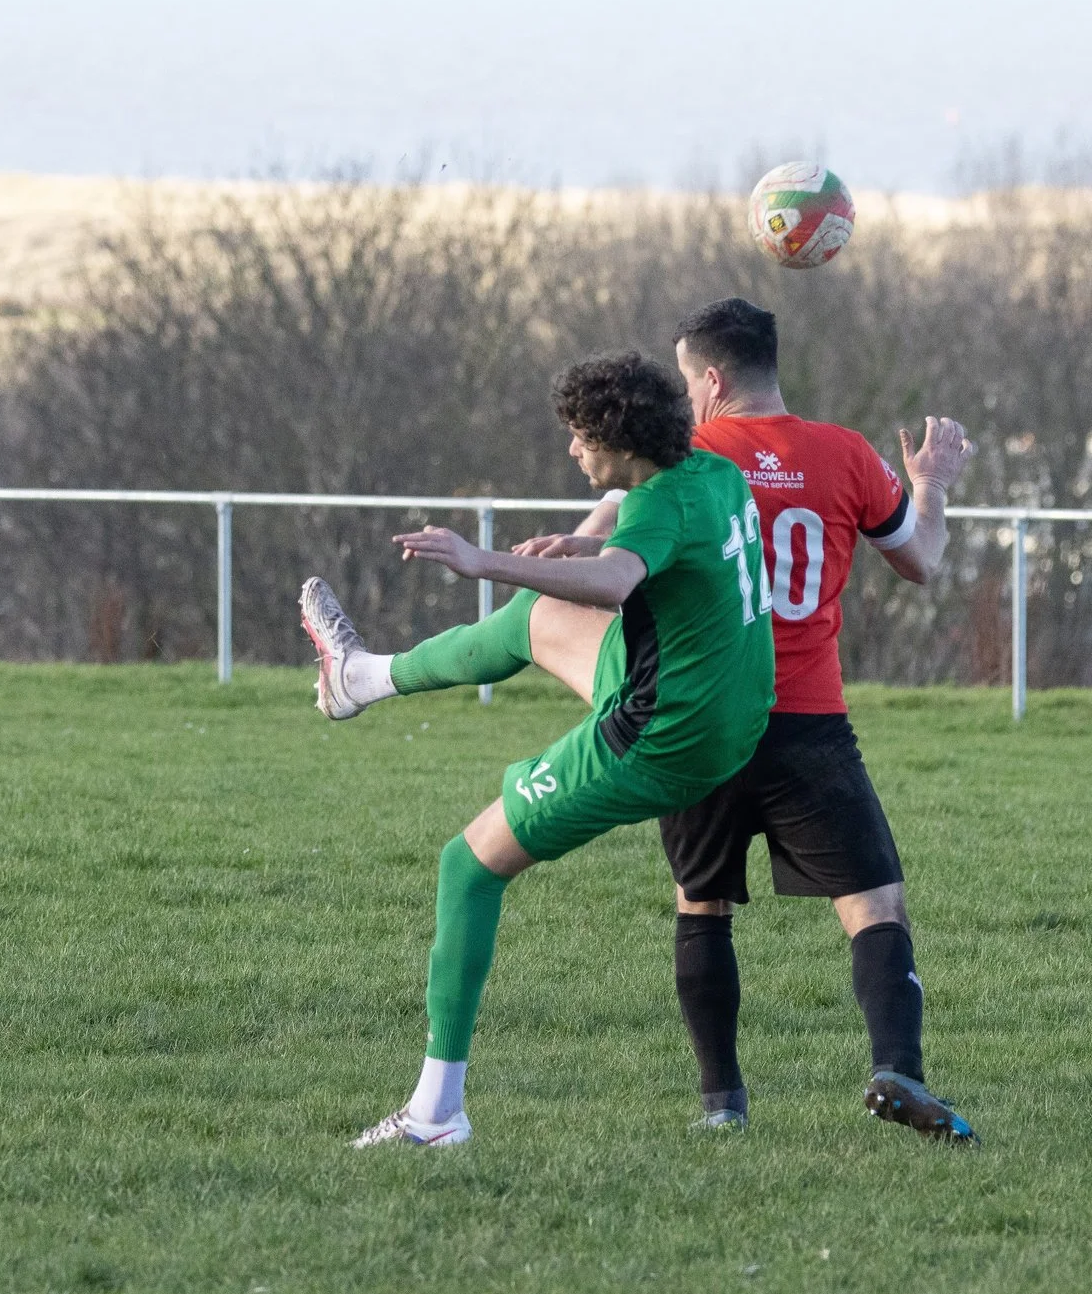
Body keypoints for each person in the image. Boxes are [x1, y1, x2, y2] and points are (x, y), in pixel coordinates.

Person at [520, 298, 977, 1141]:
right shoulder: (844, 454)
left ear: (714, 379)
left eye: (689, 383)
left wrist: (574, 542)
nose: (686, 402)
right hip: (809, 721)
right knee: (875, 907)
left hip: (703, 715)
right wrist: (931, 483)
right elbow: (922, 560)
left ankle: (722, 1107)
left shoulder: (687, 459)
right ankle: (895, 1071)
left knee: (701, 904)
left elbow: (604, 540)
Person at [300, 351, 773, 1147]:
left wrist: (482, 559)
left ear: (618, 441)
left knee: (467, 864)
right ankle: (362, 677)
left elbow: (624, 577)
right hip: (731, 709)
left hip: (662, 740)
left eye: (577, 436)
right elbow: (652, 545)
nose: (570, 451)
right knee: (537, 617)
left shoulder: (657, 505)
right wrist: (579, 545)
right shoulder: (714, 473)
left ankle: (434, 1115)